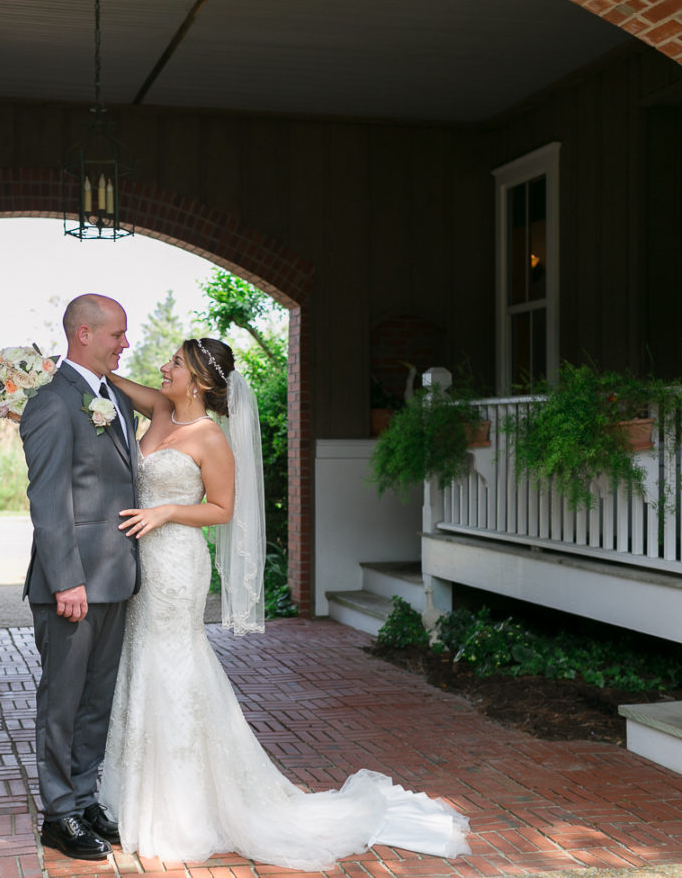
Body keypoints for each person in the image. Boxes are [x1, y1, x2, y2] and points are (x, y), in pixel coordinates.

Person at [103, 338, 471, 870]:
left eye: (175, 364)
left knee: (175, 664)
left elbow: (223, 510)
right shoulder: (158, 409)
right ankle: (136, 791)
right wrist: (52, 369)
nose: (164, 367)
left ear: (201, 381)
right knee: (141, 660)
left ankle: (182, 806)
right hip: (143, 564)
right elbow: (106, 382)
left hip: (177, 563)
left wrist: (166, 513)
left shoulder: (211, 437)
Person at [19, 293, 140, 861]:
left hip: (116, 576)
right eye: (117, 334)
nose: (125, 343)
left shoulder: (115, 397)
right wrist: (66, 579)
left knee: (98, 698)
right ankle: (58, 815)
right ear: (84, 334)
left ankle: (85, 797)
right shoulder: (50, 403)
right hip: (71, 584)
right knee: (62, 702)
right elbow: (47, 499)